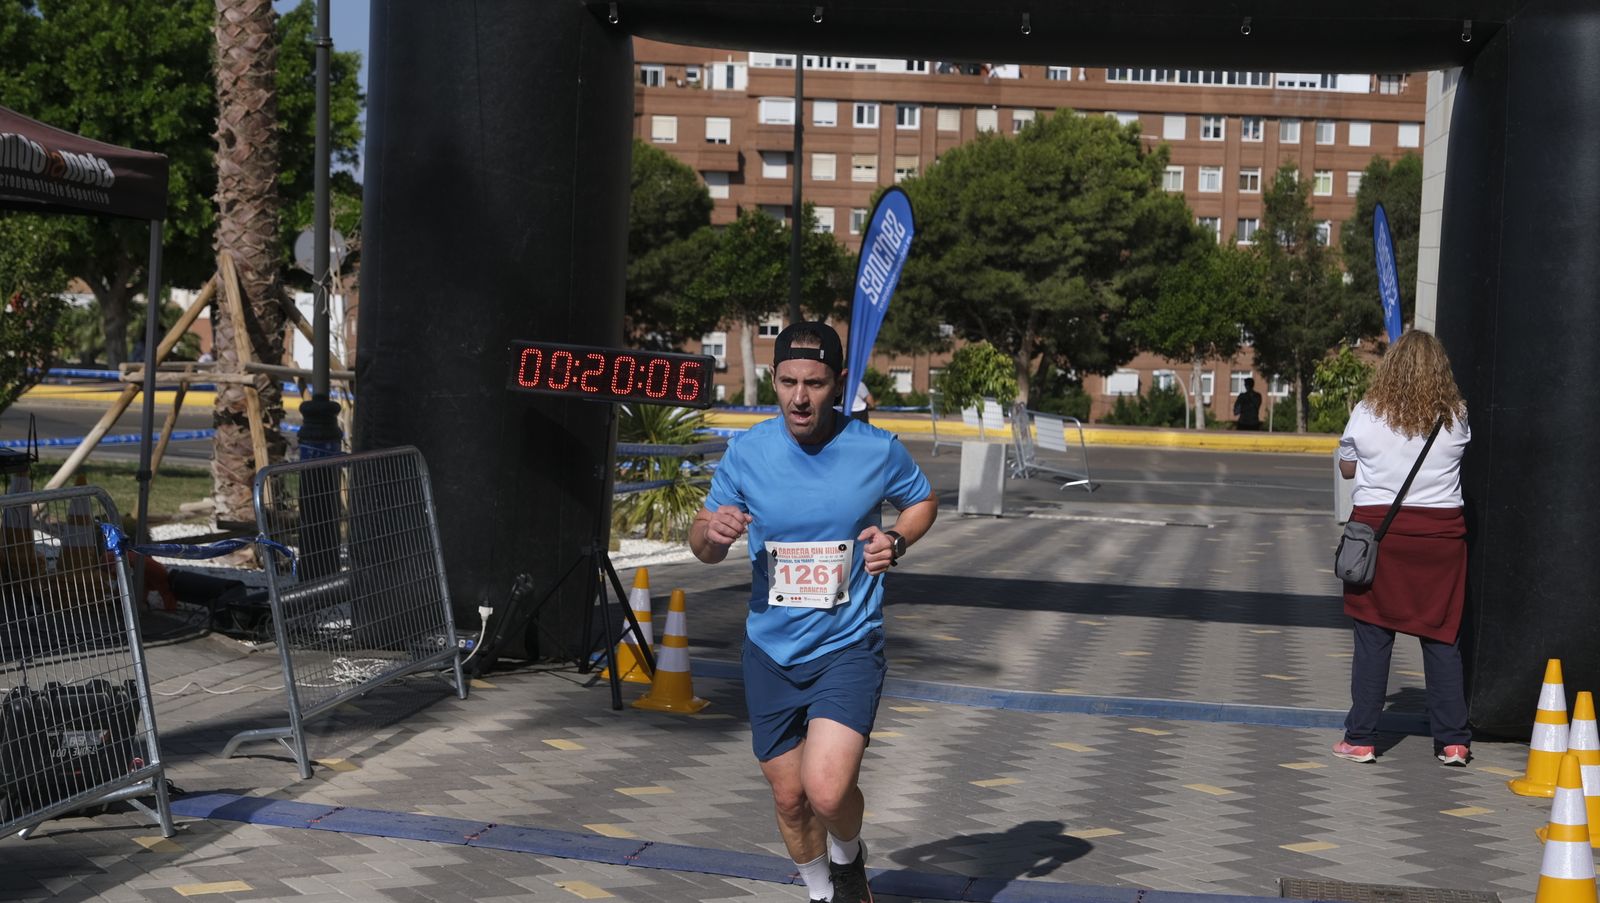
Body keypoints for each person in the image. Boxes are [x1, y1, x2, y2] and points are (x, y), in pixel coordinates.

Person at [690, 322, 937, 903]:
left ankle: (849, 858)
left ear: (838, 384)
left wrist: (897, 539)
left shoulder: (876, 450)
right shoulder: (748, 451)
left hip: (846, 645)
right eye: (788, 382)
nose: (800, 397)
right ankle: (822, 893)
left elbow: (923, 500)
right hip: (770, 652)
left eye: (815, 383)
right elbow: (701, 543)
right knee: (789, 799)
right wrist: (713, 533)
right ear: (772, 380)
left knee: (826, 792)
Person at [1333, 330, 1471, 766]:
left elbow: (1348, 469)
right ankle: (1452, 741)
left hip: (1379, 538)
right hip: (1440, 540)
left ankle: (1360, 739)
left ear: (1391, 366)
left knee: (1373, 635)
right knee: (1441, 635)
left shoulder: (1366, 413)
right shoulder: (1456, 416)